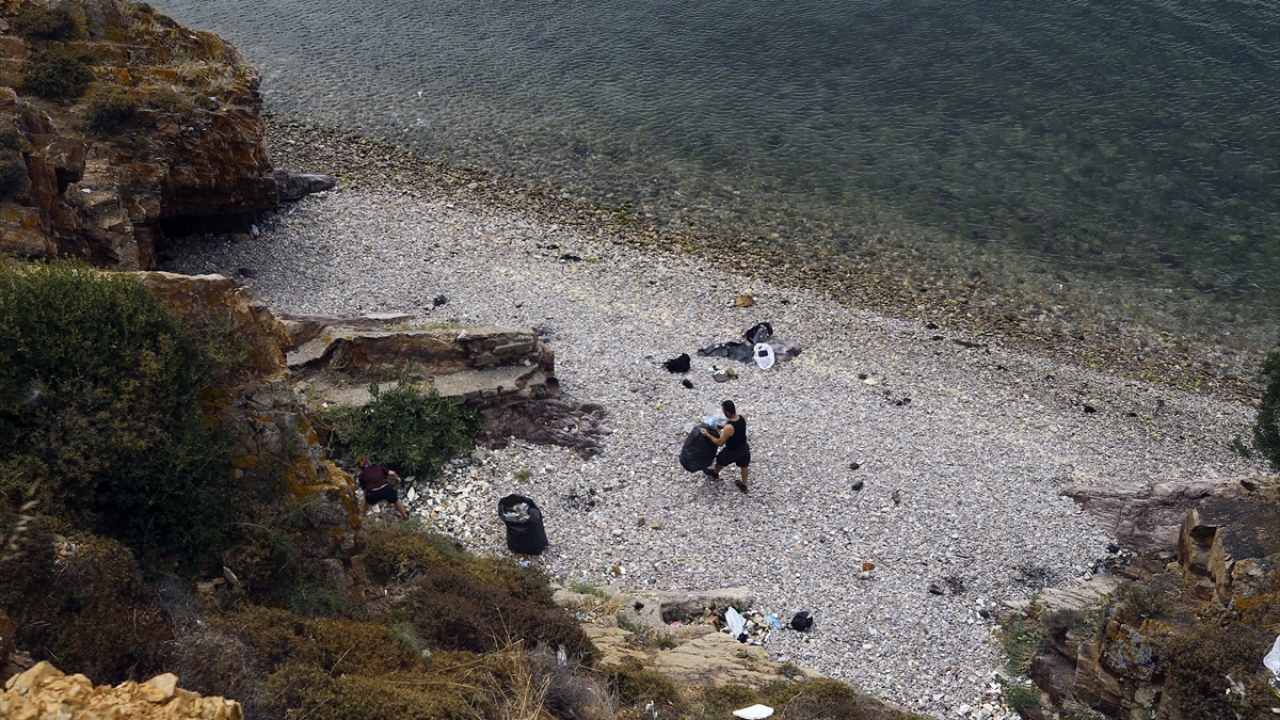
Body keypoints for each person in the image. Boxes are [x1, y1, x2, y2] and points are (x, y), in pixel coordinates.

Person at [699, 400, 750, 493]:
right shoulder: (741, 418)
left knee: (720, 460)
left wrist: (707, 435)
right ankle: (743, 485)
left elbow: (720, 443)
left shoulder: (728, 428)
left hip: (732, 451)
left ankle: (715, 474)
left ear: (727, 412)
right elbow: (734, 427)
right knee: (744, 466)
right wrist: (722, 426)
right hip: (744, 448)